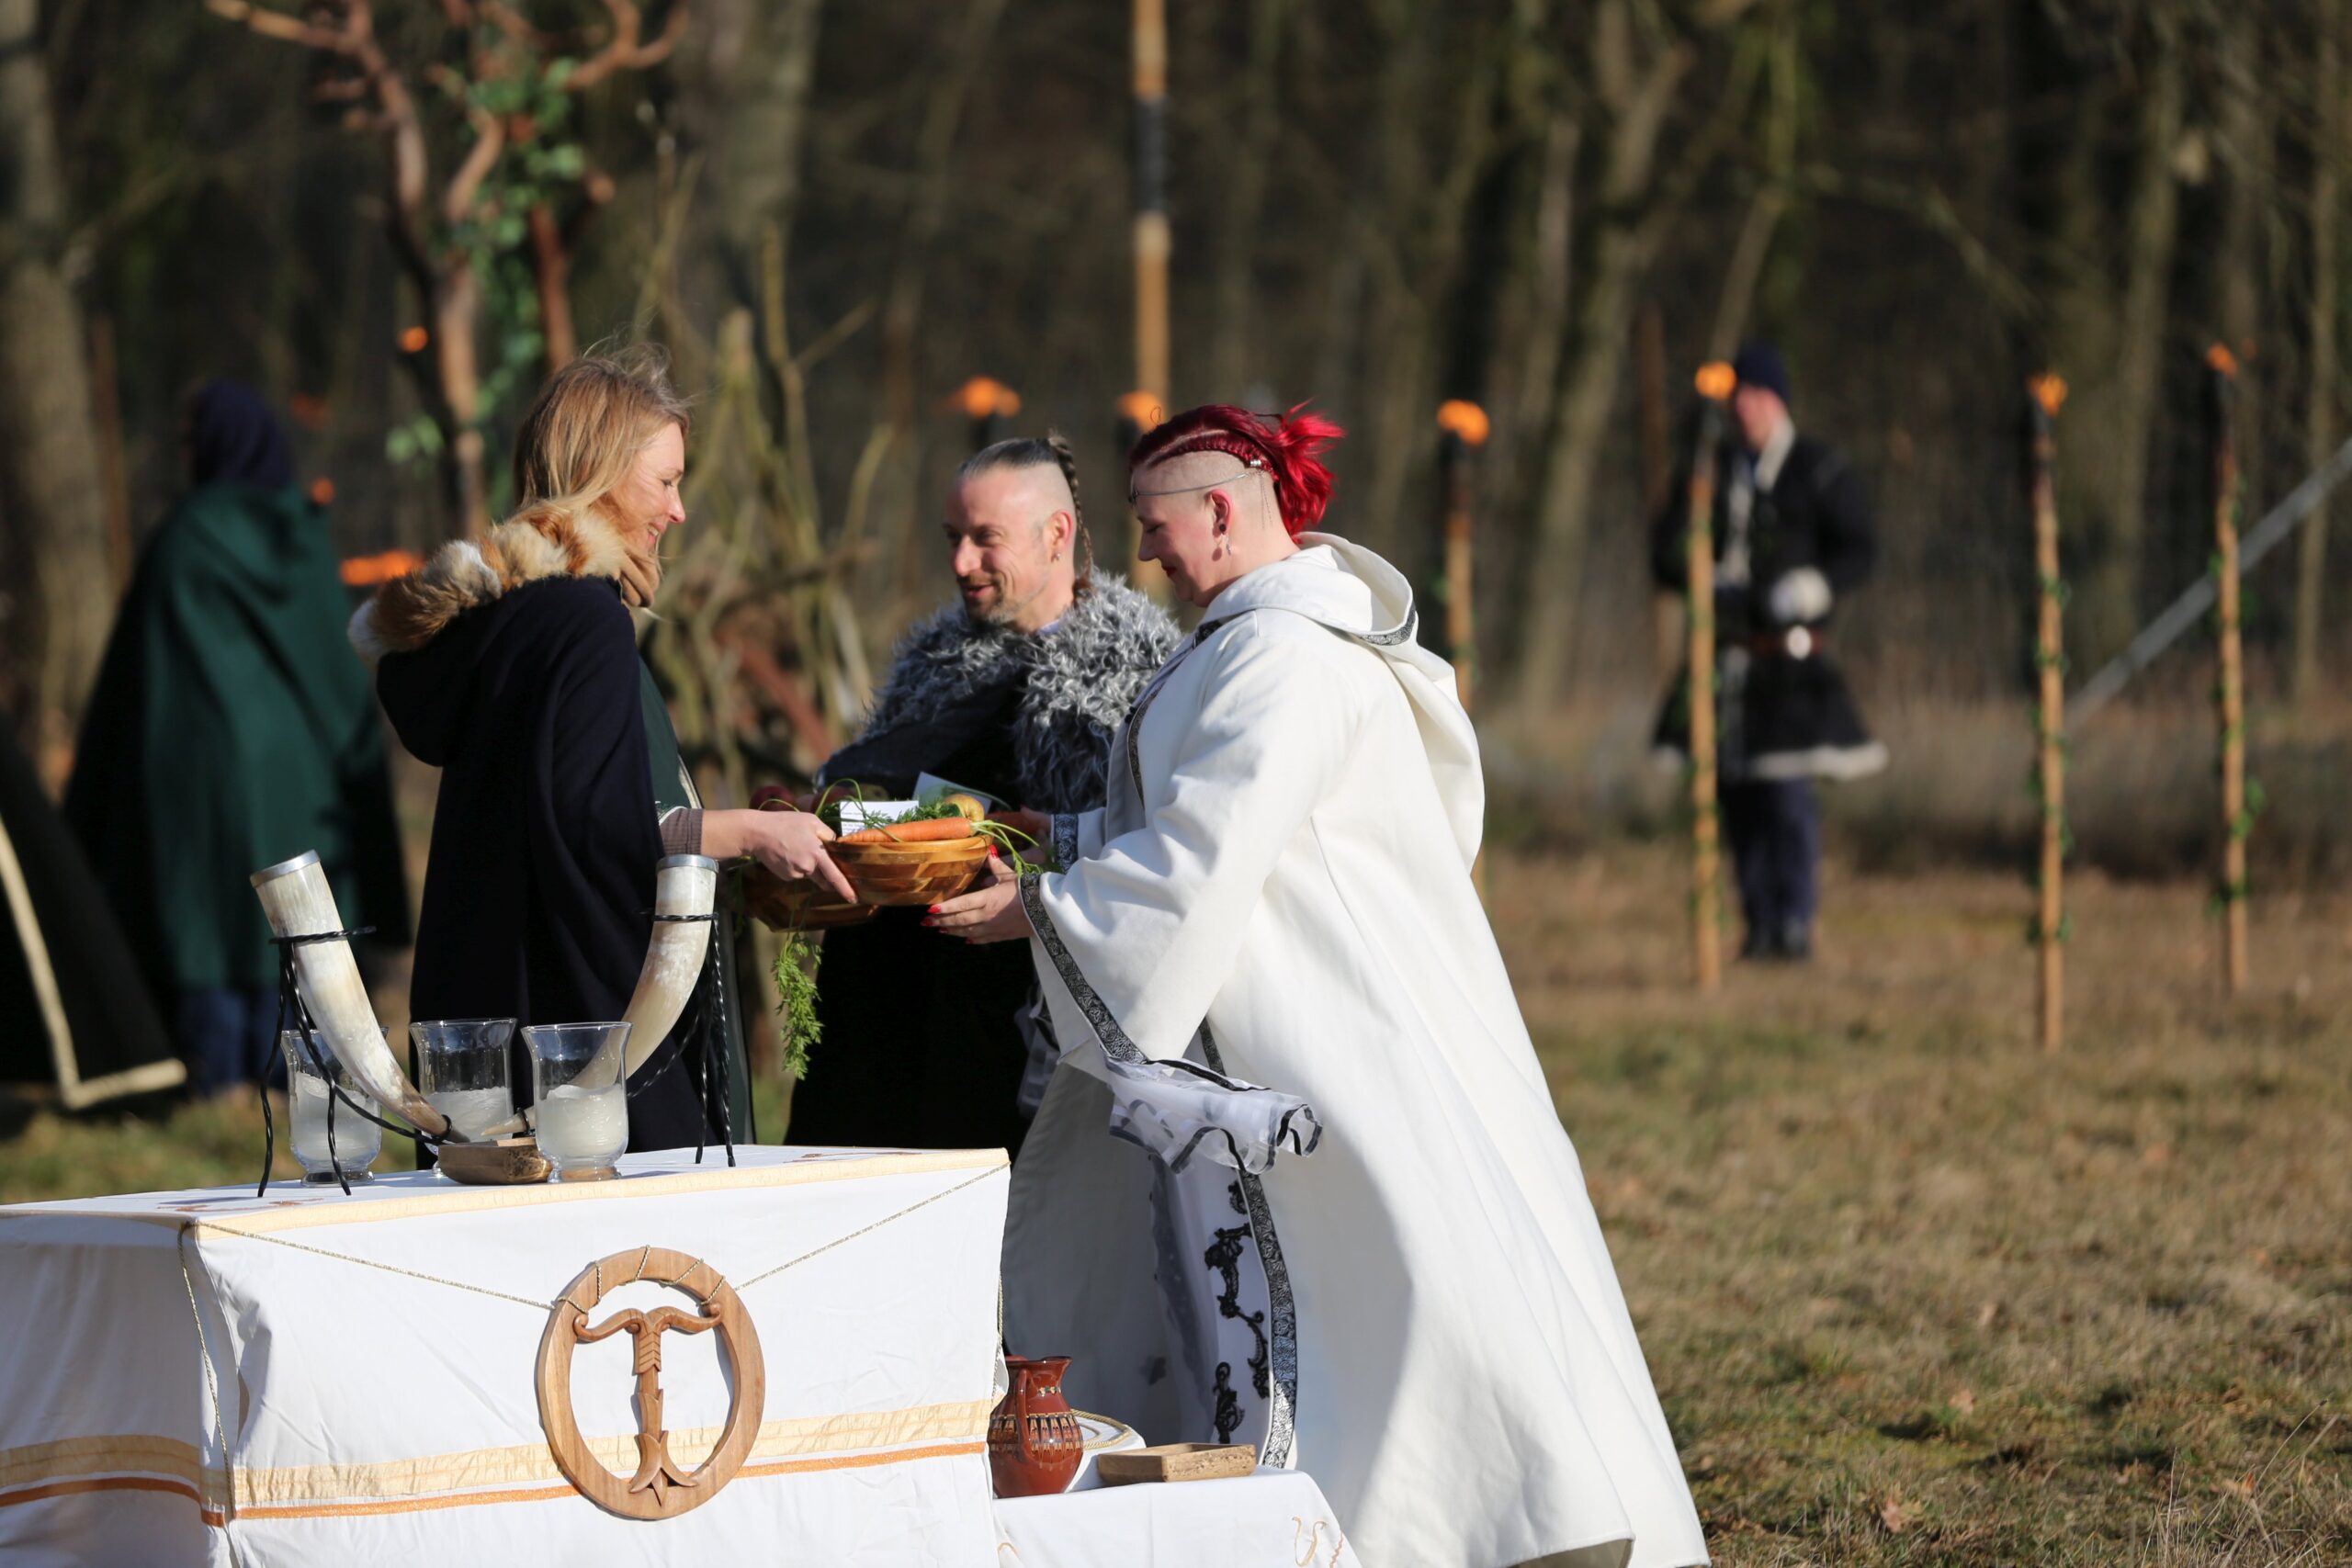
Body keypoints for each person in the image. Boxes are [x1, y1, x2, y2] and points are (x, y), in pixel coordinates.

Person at [932, 405, 1707, 1568]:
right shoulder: (1263, 639)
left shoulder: (1282, 657)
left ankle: (1488, 1525)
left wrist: (1035, 910)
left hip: (1338, 1037)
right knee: (1390, 1295)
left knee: (1403, 1294)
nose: (1142, 552)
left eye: (1152, 525)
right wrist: (1064, 836)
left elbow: (1203, 857)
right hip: (1328, 1018)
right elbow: (1211, 817)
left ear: (1220, 512)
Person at [352, 347, 852, 1151]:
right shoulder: (584, 622)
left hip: (490, 1034)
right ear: (603, 474)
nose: (678, 511)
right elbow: (596, 829)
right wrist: (752, 832)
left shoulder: (510, 623)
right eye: (666, 481)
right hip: (582, 1056)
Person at [784, 435, 1177, 1157]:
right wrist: (818, 823)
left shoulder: (1137, 686)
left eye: (985, 539)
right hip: (886, 1021)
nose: (962, 562)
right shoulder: (930, 667)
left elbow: (1146, 862)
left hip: (1023, 1035)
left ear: (1056, 534)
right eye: (952, 538)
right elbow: (892, 808)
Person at [64, 380, 408, 1096]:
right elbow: (340, 679)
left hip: (195, 800)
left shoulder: (179, 541)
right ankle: (307, 1081)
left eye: (191, 440)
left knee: (210, 929)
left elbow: (128, 692)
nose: (185, 454)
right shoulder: (302, 540)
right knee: (300, 938)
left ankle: (212, 1079)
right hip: (301, 792)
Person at [1649, 342, 1883, 961]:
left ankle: (1794, 921)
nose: (1744, 407)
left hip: (1790, 661)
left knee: (1786, 797)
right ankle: (1757, 925)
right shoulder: (1711, 469)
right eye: (1738, 397)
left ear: (1777, 399)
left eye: (1755, 395)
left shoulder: (1817, 468)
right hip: (1727, 659)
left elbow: (1859, 548)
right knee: (1737, 798)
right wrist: (1699, 569)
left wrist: (1812, 587)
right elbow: (1664, 553)